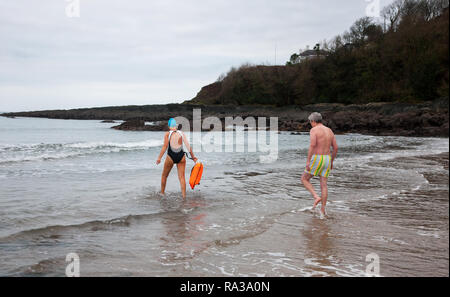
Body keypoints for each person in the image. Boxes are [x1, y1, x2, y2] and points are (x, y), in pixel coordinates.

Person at [301, 112, 338, 216]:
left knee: (304, 179)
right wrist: (331, 161)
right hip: (327, 158)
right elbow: (335, 148)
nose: (310, 124)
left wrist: (308, 161)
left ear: (313, 121)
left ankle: (316, 196)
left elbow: (312, 145)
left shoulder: (314, 130)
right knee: (324, 185)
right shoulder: (329, 130)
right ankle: (322, 210)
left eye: (310, 122)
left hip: (318, 158)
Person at [156, 118, 198, 199]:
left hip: (170, 157)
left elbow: (165, 147)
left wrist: (159, 158)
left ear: (169, 126)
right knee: (182, 178)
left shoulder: (167, 134)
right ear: (175, 126)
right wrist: (193, 157)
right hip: (181, 156)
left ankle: (162, 193)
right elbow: (188, 146)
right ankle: (184, 197)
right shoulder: (181, 133)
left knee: (164, 176)